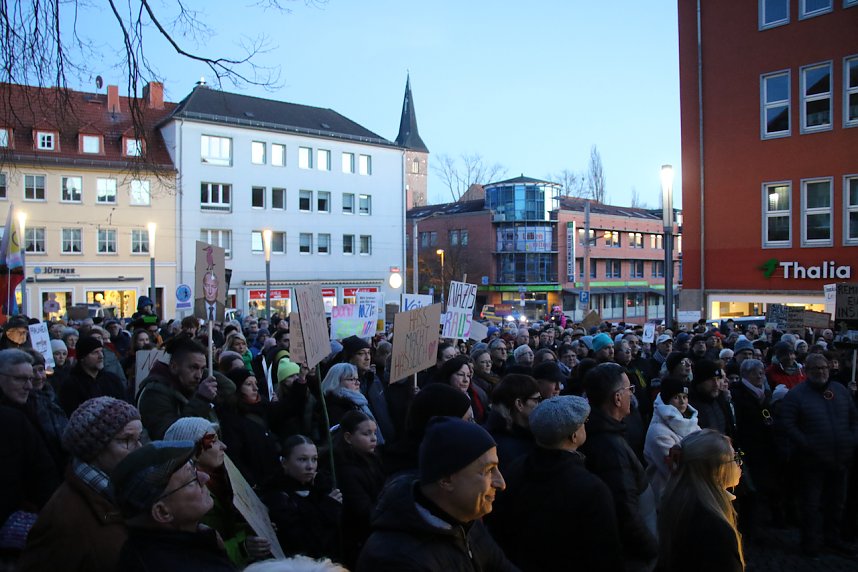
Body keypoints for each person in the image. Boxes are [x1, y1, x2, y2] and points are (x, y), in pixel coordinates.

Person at [356, 417, 517, 571]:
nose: (501, 483)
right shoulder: (395, 561)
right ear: (446, 480)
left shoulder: (466, 520)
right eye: (489, 470)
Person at [489, 395, 623, 571]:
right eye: (584, 421)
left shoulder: (516, 468)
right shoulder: (591, 489)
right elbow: (606, 555)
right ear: (574, 435)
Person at [19, 397, 142, 572]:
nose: (139, 448)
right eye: (126, 440)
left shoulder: (118, 492)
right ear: (94, 448)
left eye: (139, 438)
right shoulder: (64, 519)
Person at [778, 352, 858, 557]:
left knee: (836, 502)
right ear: (806, 371)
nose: (820, 372)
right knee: (811, 504)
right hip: (811, 460)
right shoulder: (796, 395)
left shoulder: (840, 390)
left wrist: (851, 439)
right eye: (815, 369)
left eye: (823, 368)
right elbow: (788, 424)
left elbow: (853, 417)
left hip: (841, 457)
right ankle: (810, 541)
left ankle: (832, 538)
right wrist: (807, 444)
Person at [580, 362, 658, 572]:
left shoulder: (606, 431)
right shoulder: (609, 447)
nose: (632, 395)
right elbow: (624, 510)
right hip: (630, 556)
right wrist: (651, 548)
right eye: (629, 390)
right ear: (616, 398)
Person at [112, 441, 237, 571]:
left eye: (194, 468)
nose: (205, 477)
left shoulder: (144, 549)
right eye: (191, 480)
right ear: (162, 512)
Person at [164, 417, 271, 567]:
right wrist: (241, 548)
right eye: (213, 441)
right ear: (193, 451)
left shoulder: (222, 477)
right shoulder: (182, 493)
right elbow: (195, 554)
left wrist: (254, 529)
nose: (224, 446)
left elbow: (226, 527)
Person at [657, 430, 744, 572]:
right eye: (734, 458)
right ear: (716, 470)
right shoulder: (715, 528)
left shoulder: (679, 501)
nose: (739, 464)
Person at [260, 435, 342, 560]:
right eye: (302, 459)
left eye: (314, 459)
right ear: (284, 462)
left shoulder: (321, 487)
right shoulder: (277, 496)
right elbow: (300, 540)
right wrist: (327, 509)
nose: (310, 466)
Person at [137, 337, 219, 440]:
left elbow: (229, 387)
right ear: (174, 367)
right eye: (193, 367)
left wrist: (205, 372)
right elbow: (169, 434)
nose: (199, 376)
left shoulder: (187, 386)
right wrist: (201, 400)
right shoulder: (155, 393)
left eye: (202, 369)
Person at [333, 411, 385, 568]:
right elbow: (362, 510)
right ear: (348, 438)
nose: (373, 438)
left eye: (374, 433)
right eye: (366, 434)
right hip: (359, 539)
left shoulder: (373, 459)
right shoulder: (346, 469)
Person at [644, 377, 701, 502]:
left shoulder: (690, 423)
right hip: (669, 496)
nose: (682, 402)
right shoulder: (658, 432)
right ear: (667, 401)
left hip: (693, 493)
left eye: (684, 397)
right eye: (676, 397)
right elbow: (676, 469)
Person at [483, 373, 540, 475]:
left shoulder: (527, 434)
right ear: (519, 404)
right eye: (536, 400)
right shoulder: (504, 448)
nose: (540, 405)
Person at [58, 336, 127, 416]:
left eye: (101, 351)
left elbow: (124, 406)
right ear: (82, 358)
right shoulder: (70, 385)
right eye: (95, 352)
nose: (101, 356)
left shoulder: (112, 380)